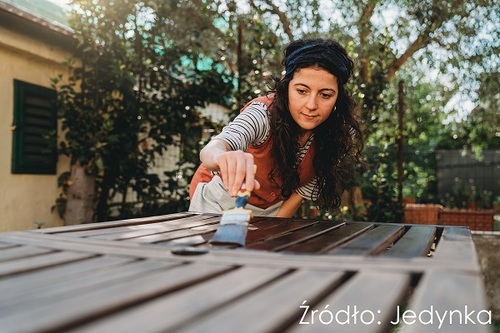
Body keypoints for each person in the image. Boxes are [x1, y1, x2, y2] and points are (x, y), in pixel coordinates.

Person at [189, 37, 364, 218]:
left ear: (337, 99)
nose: (311, 105)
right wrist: (221, 156)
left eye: (325, 95)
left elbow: (298, 195)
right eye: (302, 91)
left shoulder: (338, 135)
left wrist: (273, 234)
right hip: (217, 204)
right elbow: (214, 147)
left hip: (270, 213)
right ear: (286, 87)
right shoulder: (263, 114)